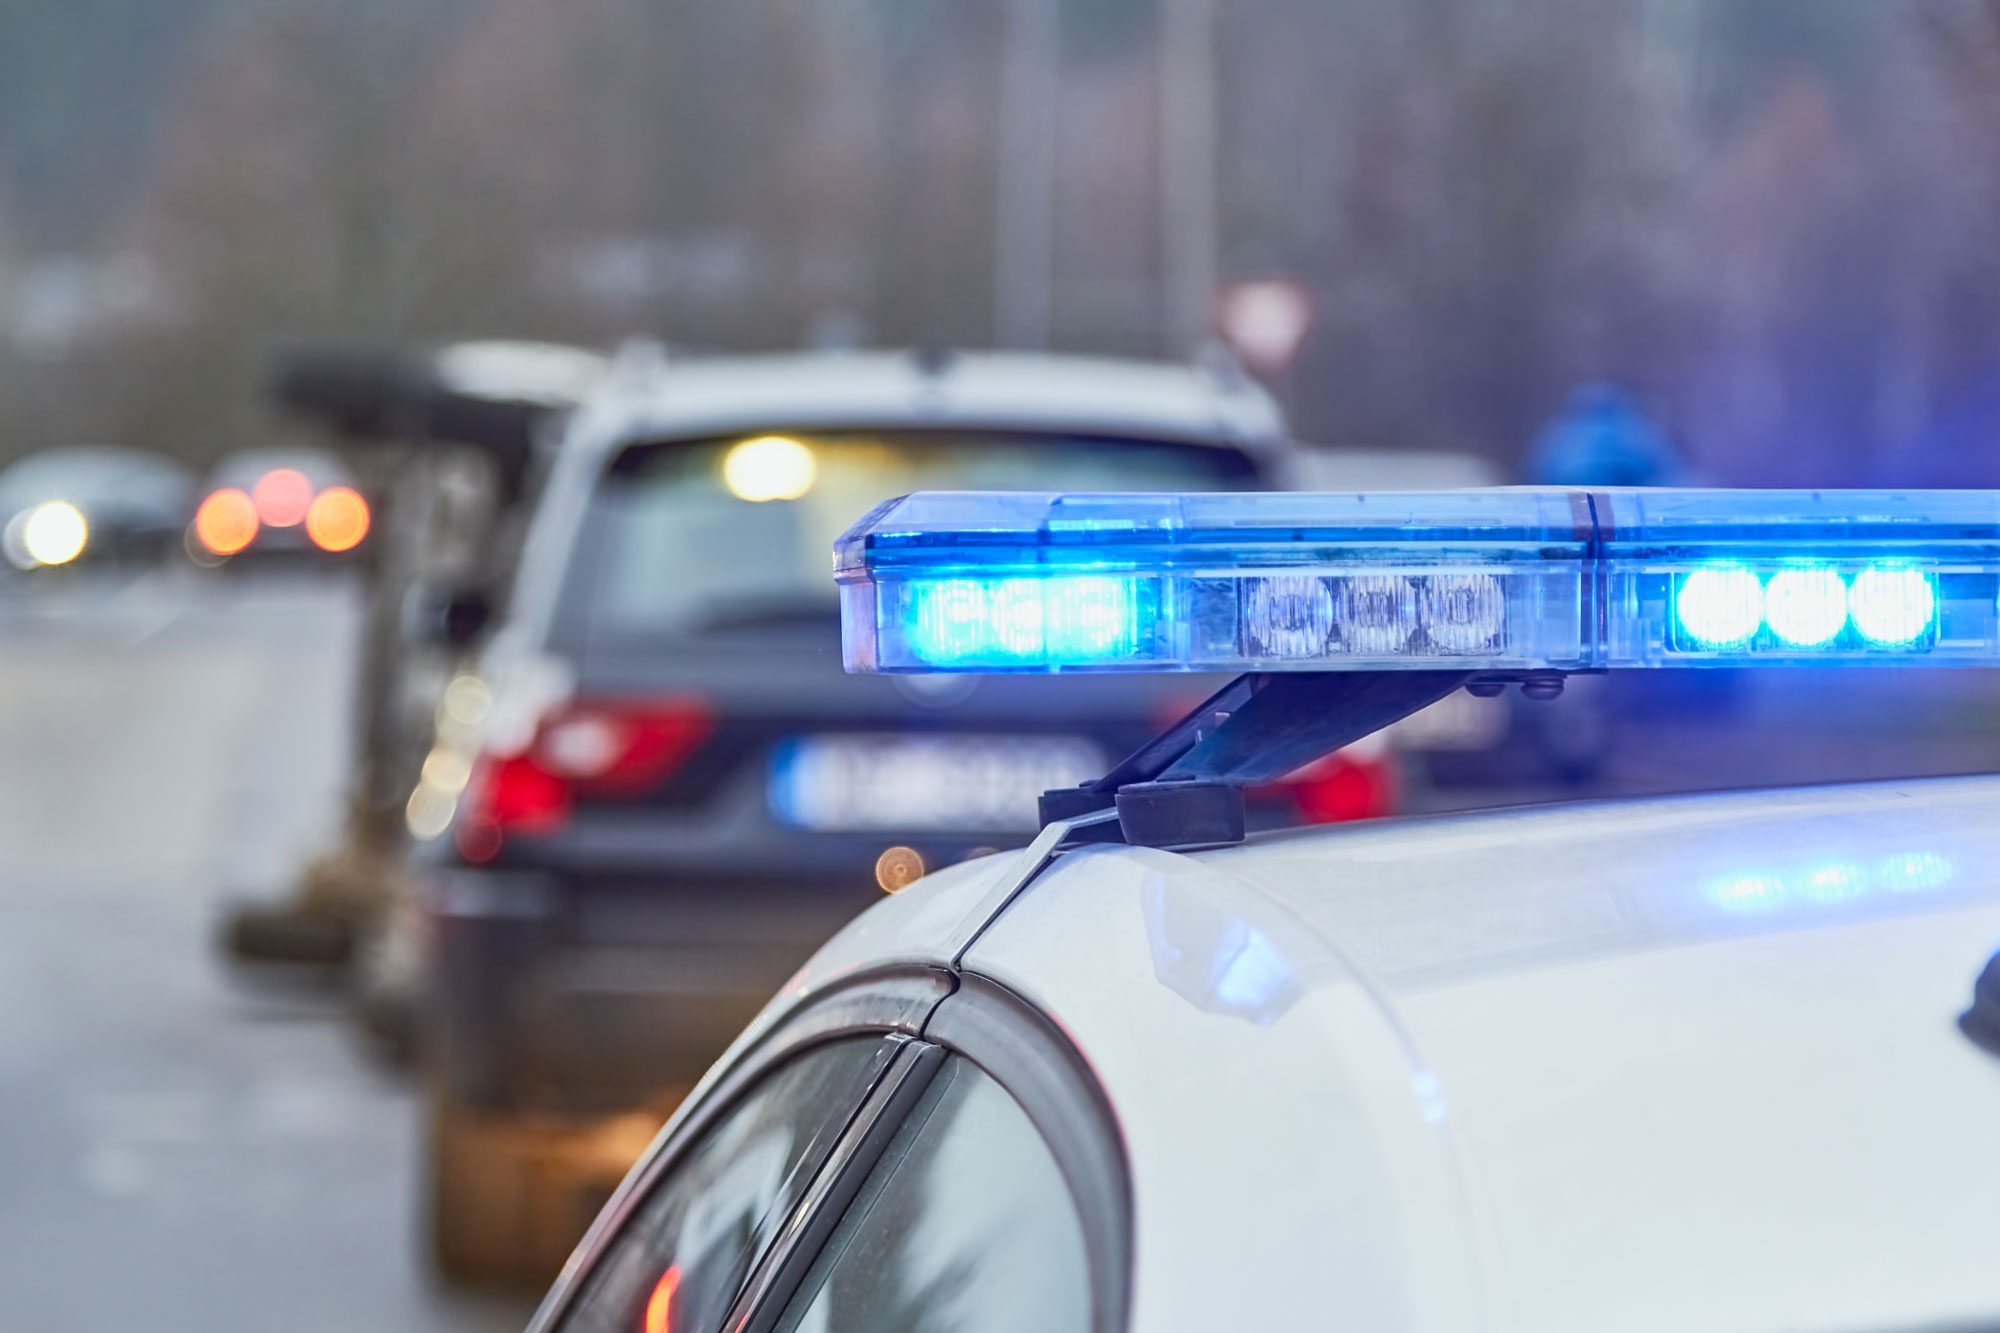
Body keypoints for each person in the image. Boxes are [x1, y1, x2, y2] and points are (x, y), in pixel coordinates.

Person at [1527, 381, 1688, 487]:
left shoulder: (1557, 437)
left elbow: (1535, 477)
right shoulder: (1637, 435)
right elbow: (1675, 483)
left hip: (1567, 522)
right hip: (1632, 524)